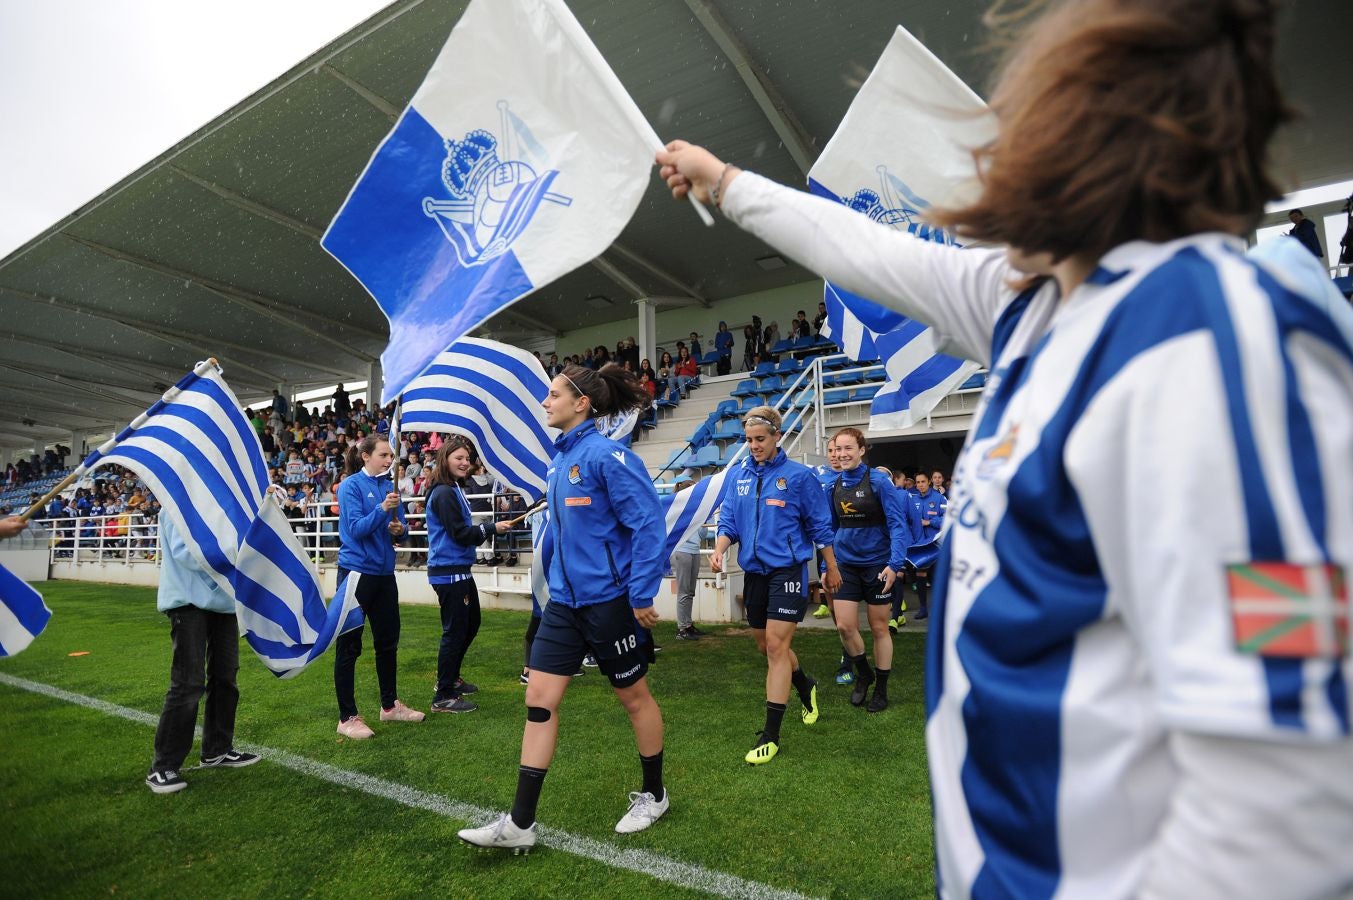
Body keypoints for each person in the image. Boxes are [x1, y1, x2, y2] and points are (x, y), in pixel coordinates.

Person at [657, 0, 1353, 893]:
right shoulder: (1034, 303)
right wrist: (722, 182)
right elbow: (865, 250)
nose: (996, 160)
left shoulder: (1218, 348)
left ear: (1088, 144)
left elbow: (1294, 771)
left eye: (1023, 123)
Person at [458, 363, 670, 853]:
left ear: (582, 404)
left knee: (633, 698)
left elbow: (648, 528)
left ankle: (655, 794)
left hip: (610, 604)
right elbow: (559, 533)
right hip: (564, 606)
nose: (545, 402)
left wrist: (639, 595)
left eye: (553, 394)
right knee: (539, 700)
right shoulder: (557, 463)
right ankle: (520, 823)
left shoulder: (608, 457)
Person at [711, 406, 839, 765]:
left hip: (787, 571)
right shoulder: (738, 477)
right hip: (754, 574)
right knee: (765, 647)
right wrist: (720, 549)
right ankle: (805, 685)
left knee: (776, 647)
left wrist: (831, 566)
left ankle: (771, 735)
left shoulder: (799, 477)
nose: (753, 445)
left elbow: (820, 527)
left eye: (760, 439)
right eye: (749, 439)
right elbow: (730, 522)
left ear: (777, 436)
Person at [145, 513, 260, 793]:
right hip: (187, 601)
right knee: (188, 682)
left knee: (225, 677)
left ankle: (217, 750)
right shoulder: (175, 501)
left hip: (223, 603)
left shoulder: (219, 503)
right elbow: (186, 553)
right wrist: (238, 554)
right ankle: (163, 766)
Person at [333, 434, 420, 739]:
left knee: (387, 643)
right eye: (383, 455)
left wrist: (400, 530)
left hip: (384, 575)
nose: (389, 460)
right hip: (356, 574)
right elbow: (355, 529)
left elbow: (401, 530)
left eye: (391, 455)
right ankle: (347, 717)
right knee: (349, 646)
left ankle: (389, 706)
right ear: (365, 456)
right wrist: (383, 509)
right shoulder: (350, 486)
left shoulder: (388, 486)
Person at [827, 428, 914, 713]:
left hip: (877, 565)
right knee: (844, 626)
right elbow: (830, 528)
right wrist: (828, 565)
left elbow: (898, 525)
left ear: (862, 450)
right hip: (846, 566)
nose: (842, 454)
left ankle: (882, 689)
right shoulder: (834, 485)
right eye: (838, 449)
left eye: (848, 448)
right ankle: (863, 673)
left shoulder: (879, 482)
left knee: (879, 628)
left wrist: (894, 564)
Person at [424, 437, 512, 714]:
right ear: (445, 459)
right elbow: (460, 535)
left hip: (458, 570)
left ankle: (451, 679)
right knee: (455, 631)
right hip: (449, 572)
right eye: (459, 458)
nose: (465, 462)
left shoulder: (453, 488)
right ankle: (443, 694)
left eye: (467, 458)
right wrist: (491, 529)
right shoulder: (444, 493)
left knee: (471, 624)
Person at [669, 472, 705, 641]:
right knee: (683, 591)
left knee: (690, 591)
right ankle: (681, 629)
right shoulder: (678, 511)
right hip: (682, 551)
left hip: (694, 551)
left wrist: (704, 517)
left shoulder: (697, 510)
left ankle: (688, 625)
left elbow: (703, 534)